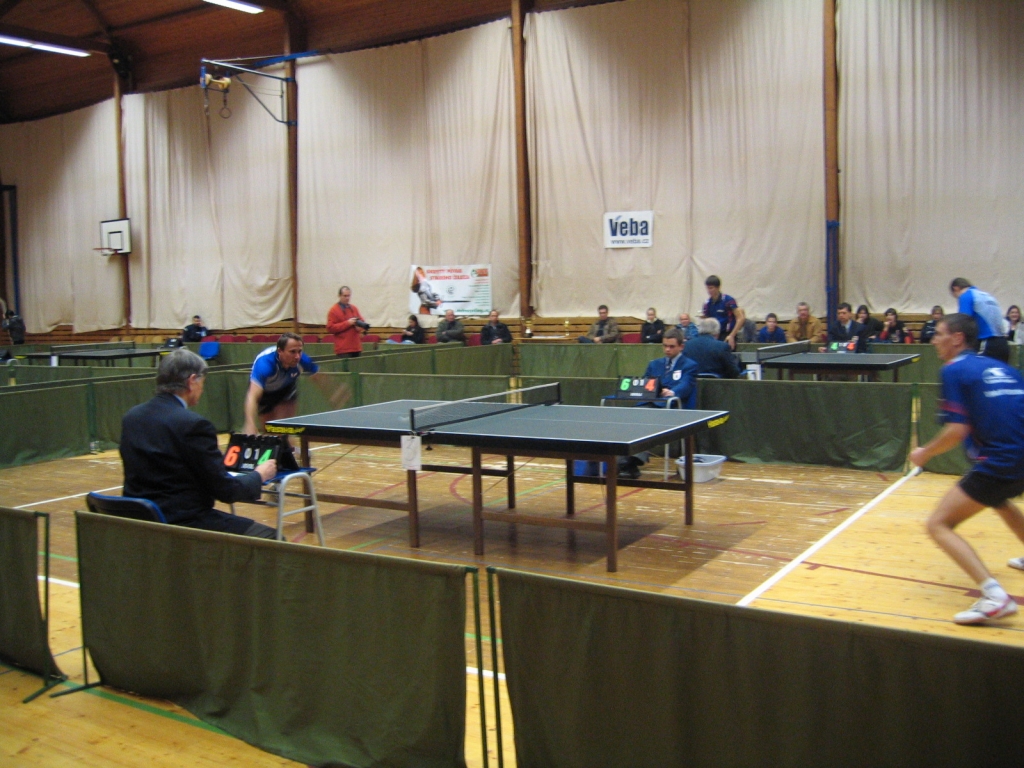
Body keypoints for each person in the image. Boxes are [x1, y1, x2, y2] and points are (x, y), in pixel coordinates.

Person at [909, 313, 1024, 625]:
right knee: (998, 500)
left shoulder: (954, 370)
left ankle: (995, 597)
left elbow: (956, 430)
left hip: (1001, 459)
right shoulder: (1005, 369)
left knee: (938, 524)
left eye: (939, 334)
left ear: (957, 338)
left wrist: (924, 453)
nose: (934, 340)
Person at [119, 349, 278, 538]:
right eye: (202, 382)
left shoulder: (131, 417)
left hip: (137, 521)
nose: (202, 389)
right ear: (192, 381)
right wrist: (259, 475)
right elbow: (226, 491)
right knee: (274, 539)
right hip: (182, 523)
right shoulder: (193, 425)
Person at [618, 328, 698, 479]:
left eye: (672, 346)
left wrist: (672, 392)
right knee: (630, 417)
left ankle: (628, 463)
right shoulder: (654, 364)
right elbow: (646, 384)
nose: (667, 349)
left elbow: (686, 385)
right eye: (665, 346)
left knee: (646, 418)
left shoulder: (689, 365)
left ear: (681, 346)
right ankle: (625, 462)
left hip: (673, 408)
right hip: (650, 404)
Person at [243, 333, 321, 435]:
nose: (297, 356)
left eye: (300, 351)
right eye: (292, 352)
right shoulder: (265, 364)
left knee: (284, 430)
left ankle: (289, 443)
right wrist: (250, 423)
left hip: (285, 389)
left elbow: (319, 377)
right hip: (266, 392)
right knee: (270, 431)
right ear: (280, 351)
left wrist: (334, 394)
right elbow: (252, 396)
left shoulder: (303, 360)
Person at [949, 277, 1008, 362]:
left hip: (985, 343)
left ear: (956, 289)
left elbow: (963, 322)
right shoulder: (988, 296)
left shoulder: (965, 296)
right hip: (1003, 343)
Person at [701, 275, 745, 350]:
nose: (709, 291)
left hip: (727, 334)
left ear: (718, 287)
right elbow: (707, 319)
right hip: (713, 336)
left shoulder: (728, 300)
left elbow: (741, 318)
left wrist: (732, 335)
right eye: (707, 288)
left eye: (711, 288)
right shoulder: (707, 303)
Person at [326, 285, 367, 358]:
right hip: (343, 350)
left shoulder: (354, 308)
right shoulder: (333, 310)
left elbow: (362, 322)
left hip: (356, 347)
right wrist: (348, 323)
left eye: (349, 296)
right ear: (339, 296)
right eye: (345, 296)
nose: (347, 298)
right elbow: (330, 328)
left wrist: (360, 327)